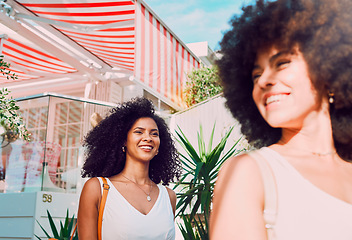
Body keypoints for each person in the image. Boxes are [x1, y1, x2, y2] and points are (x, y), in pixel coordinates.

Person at [210, 0, 352, 239]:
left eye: (282, 63)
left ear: (329, 70)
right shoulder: (249, 171)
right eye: (256, 75)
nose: (263, 80)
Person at [77, 97, 181, 240]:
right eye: (139, 132)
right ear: (124, 141)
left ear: (159, 147)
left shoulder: (169, 197)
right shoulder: (97, 189)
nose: (148, 138)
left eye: (154, 133)